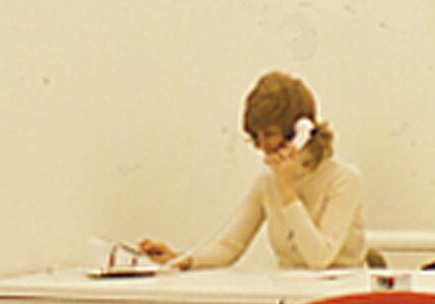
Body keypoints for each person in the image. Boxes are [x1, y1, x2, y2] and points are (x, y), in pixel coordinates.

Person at [139, 72, 367, 270]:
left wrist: (288, 192)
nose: (262, 146)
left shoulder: (343, 180)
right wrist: (181, 260)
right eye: (256, 137)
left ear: (297, 131)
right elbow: (230, 247)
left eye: (269, 134)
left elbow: (319, 258)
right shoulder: (267, 183)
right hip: (292, 295)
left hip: (341, 300)